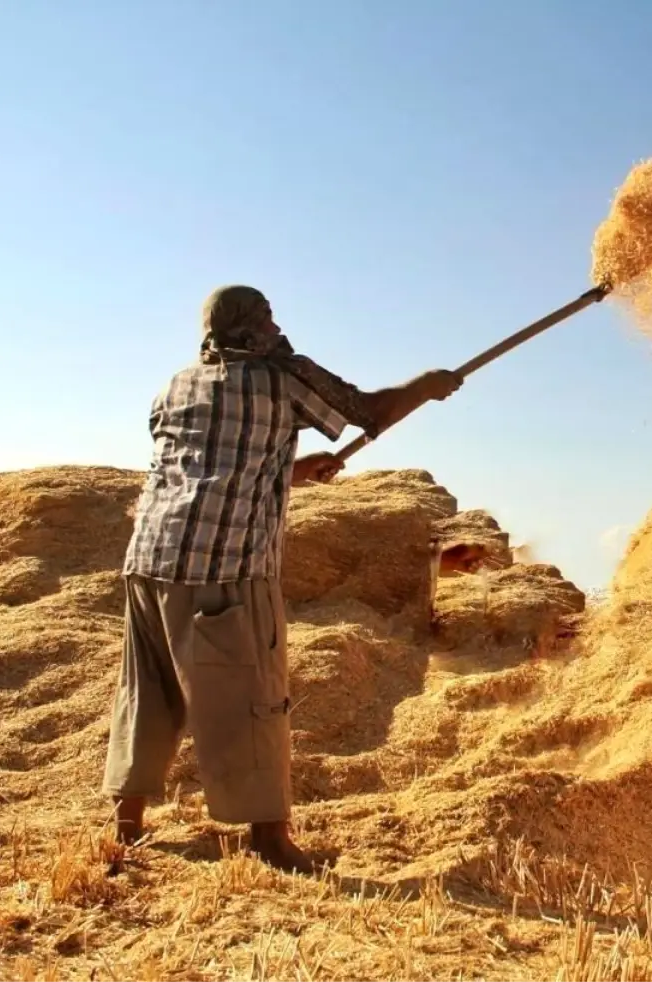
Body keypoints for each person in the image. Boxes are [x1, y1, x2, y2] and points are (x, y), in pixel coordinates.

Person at [102, 285, 462, 873]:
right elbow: (367, 412)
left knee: (149, 690)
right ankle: (269, 839)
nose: (276, 326)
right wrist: (427, 385)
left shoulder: (175, 385)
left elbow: (204, 464)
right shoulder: (279, 377)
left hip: (149, 559)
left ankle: (126, 821)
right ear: (247, 327)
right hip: (227, 565)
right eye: (266, 317)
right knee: (254, 698)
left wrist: (287, 472)